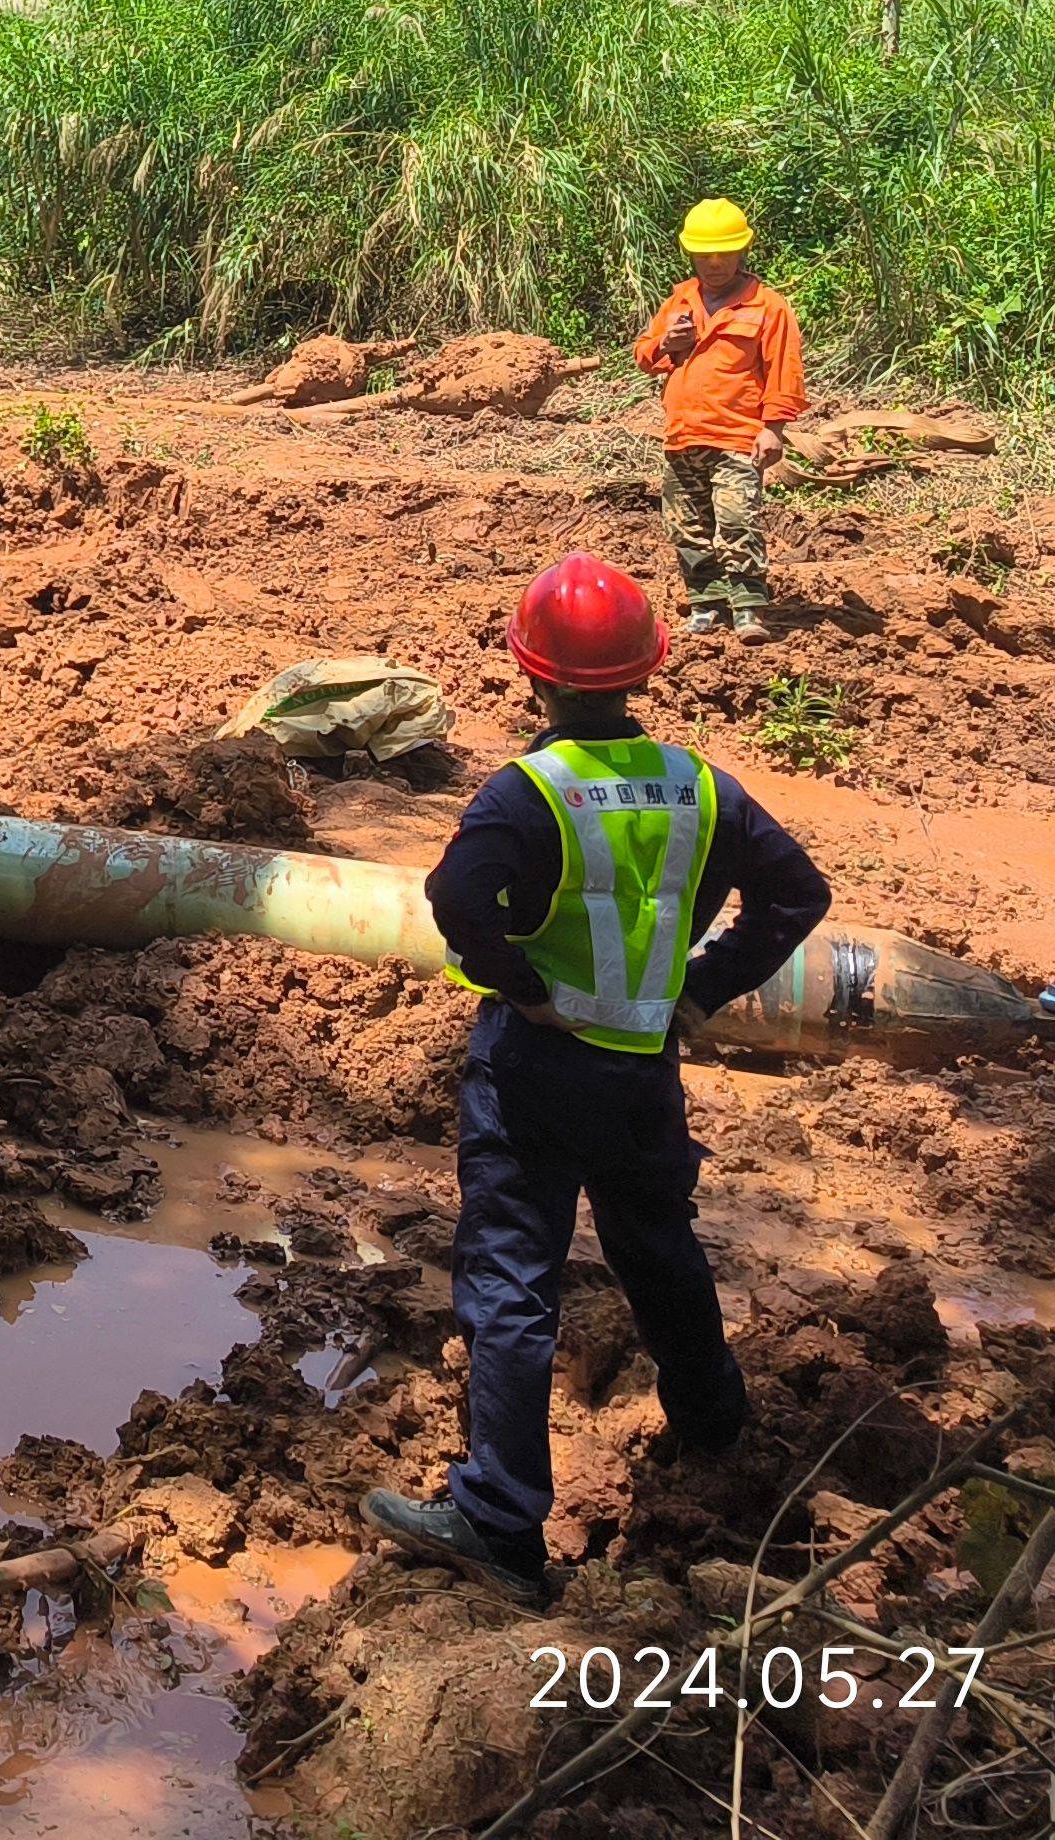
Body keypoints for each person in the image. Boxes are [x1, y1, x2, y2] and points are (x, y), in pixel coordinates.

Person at [361, 553, 831, 1609]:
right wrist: (701, 991)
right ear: (642, 670)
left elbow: (458, 899)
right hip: (640, 1074)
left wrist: (522, 987)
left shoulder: (527, 791)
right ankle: (715, 1428)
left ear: (532, 674)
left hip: (533, 1070)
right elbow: (796, 896)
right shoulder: (702, 787)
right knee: (658, 1249)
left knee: (510, 1280)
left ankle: (498, 1523)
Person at [633, 199, 805, 641]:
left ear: (742, 251)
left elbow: (784, 372)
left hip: (736, 437)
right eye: (705, 254)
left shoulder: (768, 306)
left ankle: (748, 608)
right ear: (690, 253)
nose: (714, 263)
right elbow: (644, 355)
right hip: (682, 436)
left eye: (724, 253)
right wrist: (667, 343)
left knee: (737, 521)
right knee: (687, 525)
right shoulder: (681, 300)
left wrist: (774, 428)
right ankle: (705, 605)